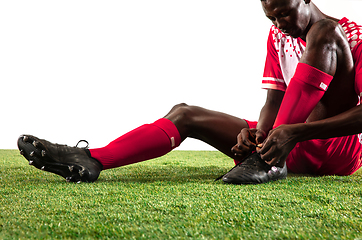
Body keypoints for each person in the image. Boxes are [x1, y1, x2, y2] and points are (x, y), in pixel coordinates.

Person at [18, 0, 362, 184]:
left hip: (335, 152)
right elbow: (274, 100)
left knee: (325, 33)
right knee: (184, 113)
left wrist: (292, 134)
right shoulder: (278, 37)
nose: (278, 24)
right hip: (285, 145)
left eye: (284, 14)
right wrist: (259, 134)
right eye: (270, 17)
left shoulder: (349, 35)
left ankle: (268, 162)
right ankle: (93, 159)